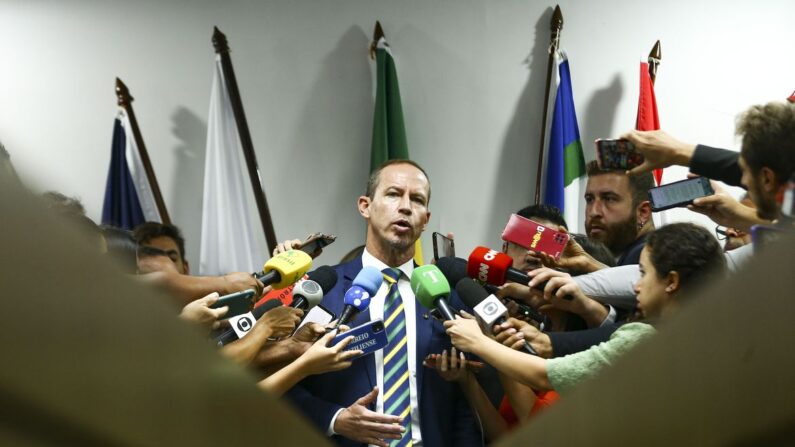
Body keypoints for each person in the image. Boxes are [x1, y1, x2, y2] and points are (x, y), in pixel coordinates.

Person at [287, 160, 482, 447]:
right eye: (393, 194)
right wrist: (335, 418)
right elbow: (284, 385)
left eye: (416, 200)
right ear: (365, 206)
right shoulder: (325, 290)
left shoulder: (446, 297)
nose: (405, 207)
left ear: (426, 219)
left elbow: (462, 404)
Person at [444, 223, 726, 395]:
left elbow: (545, 375)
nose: (636, 286)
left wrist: (478, 341)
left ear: (672, 281)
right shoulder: (718, 343)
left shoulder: (646, 340)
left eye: (643, 273)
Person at [583, 161, 656, 266]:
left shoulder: (650, 260)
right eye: (589, 199)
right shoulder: (622, 257)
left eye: (609, 199)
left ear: (643, 212)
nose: (594, 212)